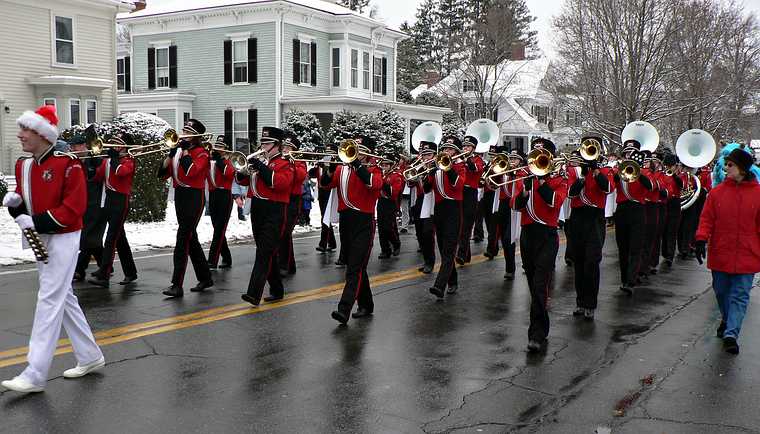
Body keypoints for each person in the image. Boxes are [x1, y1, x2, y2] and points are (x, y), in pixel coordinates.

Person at [2, 105, 104, 393]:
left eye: (26, 129)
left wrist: (31, 219)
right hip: (38, 236)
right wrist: (15, 204)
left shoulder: (68, 163)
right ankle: (90, 355)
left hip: (63, 237)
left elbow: (73, 209)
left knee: (49, 298)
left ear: (42, 134)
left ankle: (35, 372)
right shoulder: (24, 165)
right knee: (63, 296)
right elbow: (24, 201)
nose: (20, 135)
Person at [694, 147, 760, 354]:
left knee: (740, 295)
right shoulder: (717, 192)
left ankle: (732, 334)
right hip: (722, 250)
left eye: (730, 165)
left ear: (741, 168)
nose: (725, 168)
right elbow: (707, 218)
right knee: (721, 291)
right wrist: (700, 239)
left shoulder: (758, 194)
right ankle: (726, 317)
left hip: (748, 253)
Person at [511, 138, 568, 353]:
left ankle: (535, 334)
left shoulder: (558, 179)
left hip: (547, 235)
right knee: (533, 285)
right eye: (534, 152)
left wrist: (542, 180)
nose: (536, 157)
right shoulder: (524, 177)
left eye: (542, 153)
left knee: (539, 285)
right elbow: (515, 206)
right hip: (527, 235)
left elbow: (554, 202)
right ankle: (542, 326)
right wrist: (524, 191)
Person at [320, 135, 382, 324]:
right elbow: (325, 184)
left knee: (354, 268)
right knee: (355, 265)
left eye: (359, 148)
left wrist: (357, 165)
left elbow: (374, 184)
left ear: (368, 153)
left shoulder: (374, 168)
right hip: (346, 220)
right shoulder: (342, 168)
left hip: (364, 220)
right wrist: (329, 171)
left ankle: (343, 309)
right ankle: (367, 304)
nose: (354, 151)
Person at [238, 127, 294, 306]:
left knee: (263, 252)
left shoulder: (285, 163)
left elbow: (278, 183)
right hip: (258, 209)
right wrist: (243, 170)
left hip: (275, 210)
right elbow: (243, 181)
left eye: (267, 143)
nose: (263, 146)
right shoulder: (261, 162)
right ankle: (277, 289)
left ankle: (253, 293)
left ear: (276, 145)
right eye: (262, 142)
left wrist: (261, 167)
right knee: (267, 251)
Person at [158, 119, 214, 297]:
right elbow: (162, 173)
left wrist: (185, 152)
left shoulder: (202, 153)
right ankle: (205, 277)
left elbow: (191, 172)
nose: (183, 134)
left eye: (188, 132)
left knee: (183, 239)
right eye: (183, 130)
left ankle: (177, 284)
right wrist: (170, 153)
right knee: (191, 239)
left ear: (196, 136)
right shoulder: (179, 151)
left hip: (194, 197)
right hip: (180, 196)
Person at [566, 136, 613, 320]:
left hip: (595, 218)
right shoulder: (574, 171)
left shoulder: (605, 170)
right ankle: (580, 301)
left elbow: (608, 189)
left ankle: (590, 304)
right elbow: (571, 194)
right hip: (578, 217)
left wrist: (595, 172)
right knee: (579, 261)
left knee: (592, 262)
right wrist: (583, 176)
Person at [87, 132, 138, 288]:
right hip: (108, 199)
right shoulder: (109, 160)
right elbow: (97, 177)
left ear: (125, 146)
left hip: (120, 201)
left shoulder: (129, 160)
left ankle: (104, 275)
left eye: (118, 143)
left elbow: (120, 172)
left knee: (111, 239)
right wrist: (92, 164)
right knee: (119, 238)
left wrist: (114, 158)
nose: (114, 145)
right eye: (113, 142)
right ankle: (130, 272)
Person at [427, 136, 466, 298]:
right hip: (439, 209)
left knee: (449, 249)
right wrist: (427, 172)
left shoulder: (460, 167)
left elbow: (458, 185)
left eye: (449, 149)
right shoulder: (437, 168)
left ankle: (439, 285)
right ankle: (453, 280)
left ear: (456, 152)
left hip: (453, 209)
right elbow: (427, 188)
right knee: (444, 249)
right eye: (444, 149)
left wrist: (448, 168)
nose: (445, 152)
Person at [614, 141, 653, 294]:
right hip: (622, 210)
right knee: (622, 247)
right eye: (626, 154)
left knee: (635, 247)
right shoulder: (618, 171)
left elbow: (650, 186)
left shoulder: (645, 171)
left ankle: (631, 280)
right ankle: (624, 278)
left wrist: (639, 170)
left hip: (638, 209)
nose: (628, 156)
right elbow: (612, 185)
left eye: (631, 153)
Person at [72, 128, 106, 282]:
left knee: (86, 238)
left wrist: (93, 144)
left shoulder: (95, 158)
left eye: (76, 146)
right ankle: (105, 266)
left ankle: (79, 270)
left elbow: (100, 172)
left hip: (97, 204)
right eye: (72, 147)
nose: (73, 149)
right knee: (92, 240)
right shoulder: (75, 162)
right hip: (84, 205)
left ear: (84, 146)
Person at [279, 134, 307, 275]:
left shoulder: (299, 161)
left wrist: (291, 162)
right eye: (284, 146)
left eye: (288, 147)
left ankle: (284, 265)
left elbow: (300, 176)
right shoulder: (280, 159)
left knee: (285, 233)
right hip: (280, 199)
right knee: (283, 233)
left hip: (293, 200)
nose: (284, 149)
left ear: (294, 149)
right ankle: (290, 265)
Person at [207, 136, 236, 270]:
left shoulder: (229, 162)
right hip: (213, 195)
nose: (218, 148)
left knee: (219, 229)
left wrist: (219, 159)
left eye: (221, 146)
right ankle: (227, 257)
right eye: (217, 145)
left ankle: (212, 261)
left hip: (225, 196)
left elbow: (228, 174)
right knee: (217, 228)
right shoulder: (211, 161)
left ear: (226, 150)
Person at [456, 136, 485, 265]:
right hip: (459, 192)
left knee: (467, 225)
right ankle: (465, 254)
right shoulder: (458, 159)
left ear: (473, 148)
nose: (465, 148)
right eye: (464, 146)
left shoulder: (478, 160)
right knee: (459, 224)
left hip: (470, 193)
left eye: (468, 146)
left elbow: (475, 169)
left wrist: (466, 159)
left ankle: (462, 254)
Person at [410, 143, 437, 273]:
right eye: (424, 155)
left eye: (429, 155)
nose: (426, 157)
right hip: (421, 199)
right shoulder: (420, 167)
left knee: (428, 232)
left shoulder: (438, 167)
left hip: (434, 199)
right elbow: (410, 183)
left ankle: (430, 262)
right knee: (420, 231)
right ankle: (427, 259)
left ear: (435, 156)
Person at [308, 155, 337, 252]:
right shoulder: (320, 166)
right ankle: (332, 243)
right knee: (325, 218)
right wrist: (316, 166)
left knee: (325, 218)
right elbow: (310, 174)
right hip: (321, 193)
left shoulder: (334, 166)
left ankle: (323, 244)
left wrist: (329, 166)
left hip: (330, 192)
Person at [377, 154, 404, 258]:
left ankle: (396, 243)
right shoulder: (381, 174)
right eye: (382, 165)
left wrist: (382, 181)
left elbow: (394, 193)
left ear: (392, 165)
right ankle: (385, 250)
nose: (384, 167)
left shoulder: (396, 176)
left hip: (390, 203)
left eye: (386, 165)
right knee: (381, 228)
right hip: (381, 202)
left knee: (388, 227)